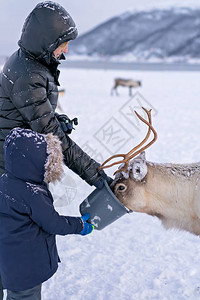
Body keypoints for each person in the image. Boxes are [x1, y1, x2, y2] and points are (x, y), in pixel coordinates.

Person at [0, 1, 110, 188]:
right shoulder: (29, 75)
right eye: (63, 43)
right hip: (13, 167)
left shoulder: (28, 60)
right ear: (46, 40)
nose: (66, 50)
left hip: (17, 157)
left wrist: (54, 117)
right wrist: (97, 176)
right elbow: (51, 133)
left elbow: (24, 112)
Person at [0, 127, 94, 300]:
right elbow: (52, 223)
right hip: (26, 268)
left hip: (7, 260)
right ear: (34, 162)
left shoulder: (5, 181)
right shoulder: (32, 194)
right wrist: (79, 225)